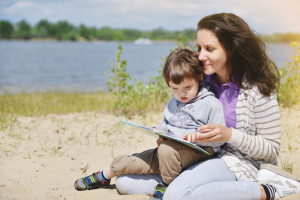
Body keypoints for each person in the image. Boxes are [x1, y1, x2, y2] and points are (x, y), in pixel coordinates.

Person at [115, 13, 300, 200]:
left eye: (209, 49)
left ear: (231, 50)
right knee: (125, 182)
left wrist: (229, 135)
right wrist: (170, 138)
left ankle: (268, 190)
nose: (200, 56)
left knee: (175, 195)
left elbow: (271, 149)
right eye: (199, 47)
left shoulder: (258, 88)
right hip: (201, 155)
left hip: (240, 162)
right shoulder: (201, 80)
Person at [73, 48, 227, 199]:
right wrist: (156, 129)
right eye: (175, 88)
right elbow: (166, 125)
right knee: (134, 159)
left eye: (188, 87)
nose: (182, 93)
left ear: (199, 78)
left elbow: (220, 140)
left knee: (166, 150)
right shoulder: (173, 103)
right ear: (168, 84)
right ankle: (104, 176)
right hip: (168, 152)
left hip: (197, 153)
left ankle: (165, 185)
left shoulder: (210, 103)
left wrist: (199, 137)